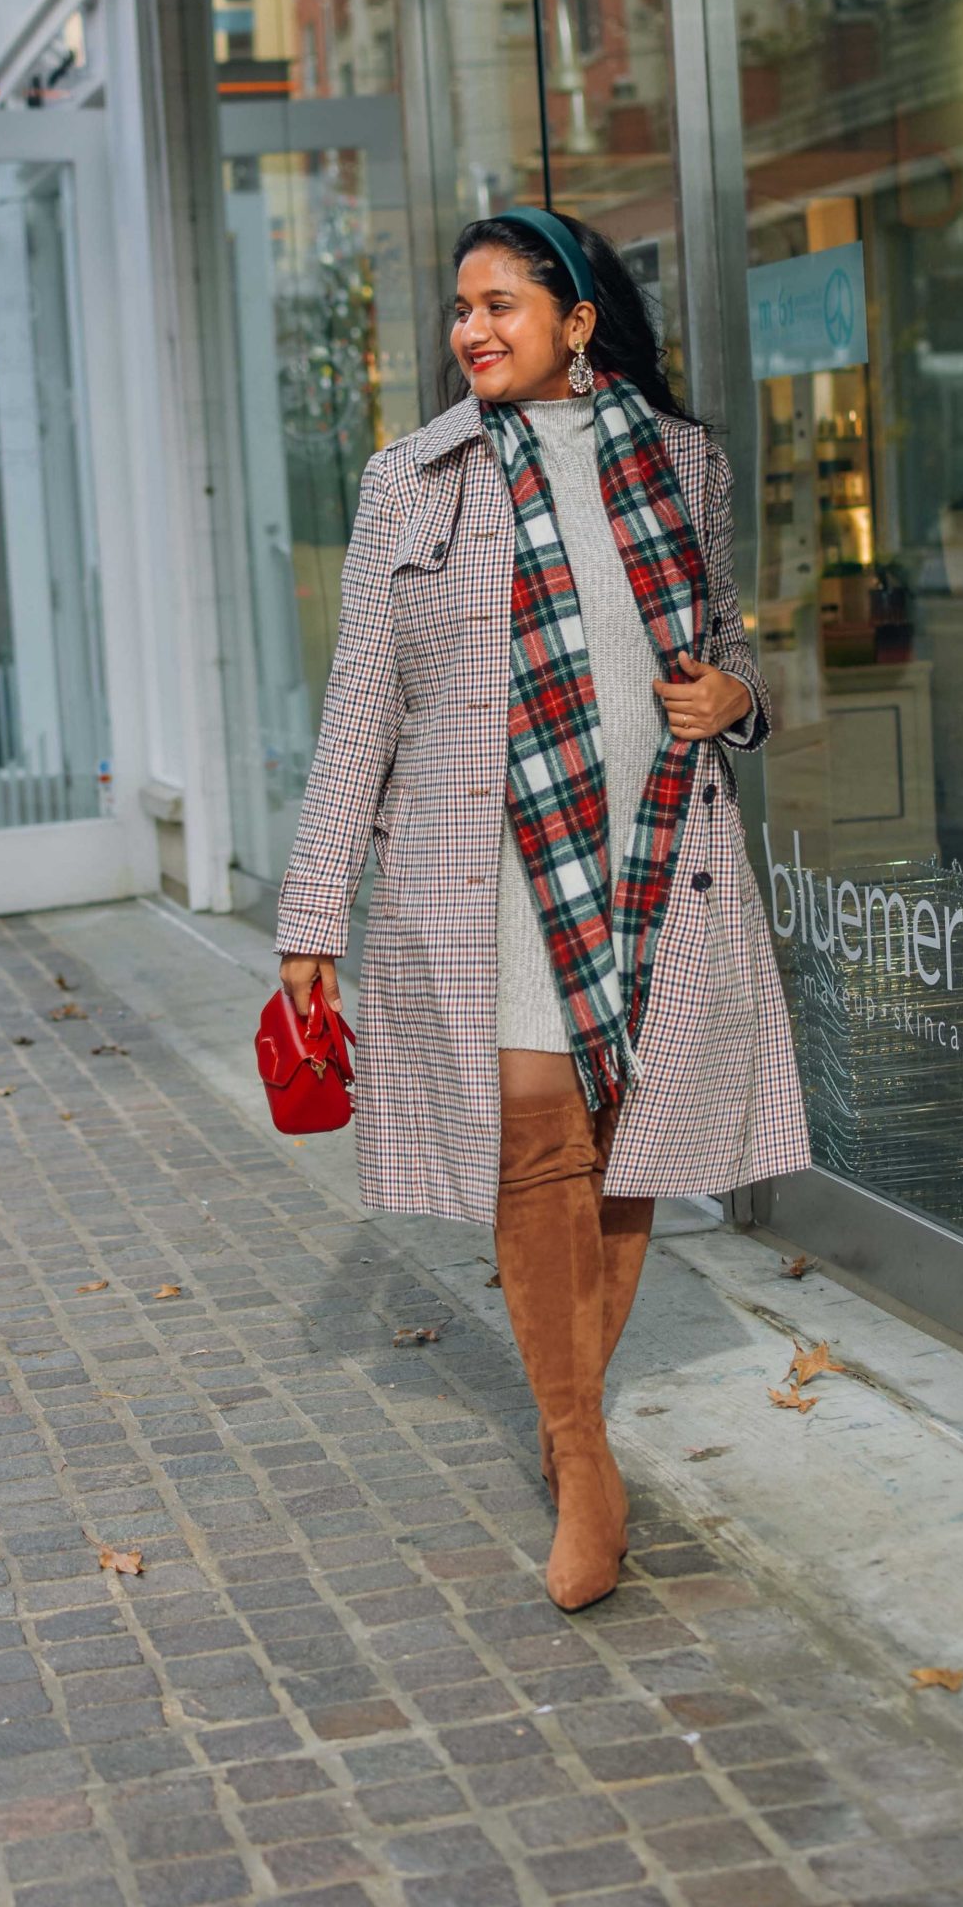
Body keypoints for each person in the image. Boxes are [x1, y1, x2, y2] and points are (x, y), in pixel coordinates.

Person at [276, 207, 810, 1613]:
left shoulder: (682, 462)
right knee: (535, 1144)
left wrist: (738, 702)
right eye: (461, 308)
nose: (471, 331)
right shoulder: (413, 479)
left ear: (577, 319)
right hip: (487, 866)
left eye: (500, 304)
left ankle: (573, 1428)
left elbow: (727, 639)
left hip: (658, 852)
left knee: (628, 1148)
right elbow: (358, 709)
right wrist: (311, 911)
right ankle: (581, 1459)